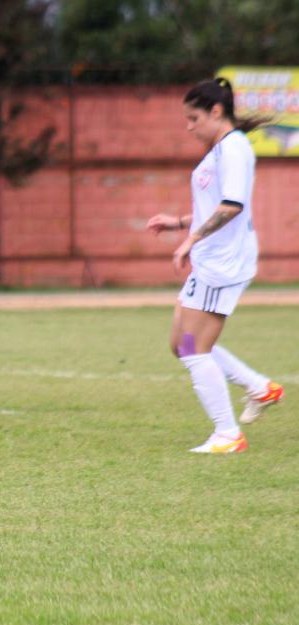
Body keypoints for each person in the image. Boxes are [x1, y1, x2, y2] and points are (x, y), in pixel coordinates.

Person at [146, 77, 283, 454]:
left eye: (193, 118)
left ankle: (227, 434)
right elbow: (215, 205)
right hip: (210, 262)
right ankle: (259, 387)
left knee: (194, 349)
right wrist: (178, 223)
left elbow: (232, 205)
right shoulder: (220, 151)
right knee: (182, 344)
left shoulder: (234, 149)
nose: (189, 127)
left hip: (222, 264)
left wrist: (190, 240)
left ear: (216, 111)